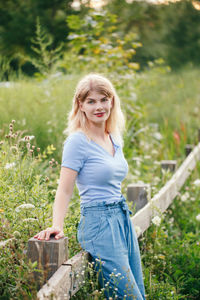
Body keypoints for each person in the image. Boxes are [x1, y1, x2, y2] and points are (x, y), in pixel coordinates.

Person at [34, 74, 146, 299]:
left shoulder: (114, 138)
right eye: (91, 101)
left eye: (104, 99)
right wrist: (57, 225)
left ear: (112, 101)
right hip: (99, 225)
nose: (99, 107)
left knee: (139, 293)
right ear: (80, 105)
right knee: (129, 296)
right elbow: (64, 189)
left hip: (122, 218)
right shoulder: (77, 142)